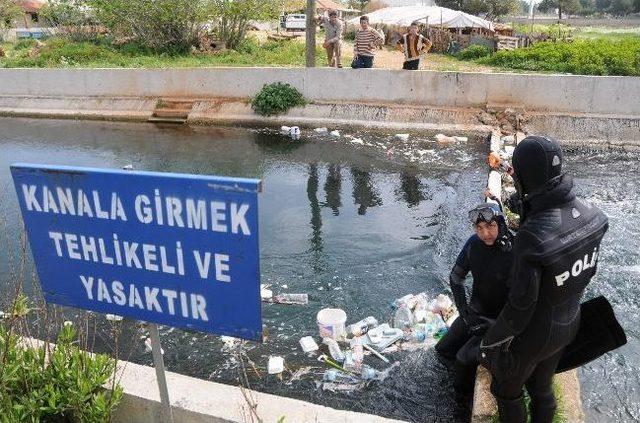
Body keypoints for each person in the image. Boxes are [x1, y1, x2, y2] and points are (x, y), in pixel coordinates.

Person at [479, 136, 609, 423]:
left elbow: (520, 308)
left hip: (536, 334)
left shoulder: (534, 237)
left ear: (525, 177)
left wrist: (490, 342)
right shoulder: (594, 217)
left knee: (506, 388)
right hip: (569, 322)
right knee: (541, 386)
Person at [435, 202, 514, 394]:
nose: (485, 233)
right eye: (479, 228)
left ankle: (461, 402)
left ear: (501, 224)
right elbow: (456, 277)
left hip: (502, 323)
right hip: (477, 313)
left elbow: (527, 296)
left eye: (490, 226)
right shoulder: (473, 244)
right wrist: (464, 312)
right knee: (442, 350)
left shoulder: (516, 250)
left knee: (463, 360)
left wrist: (498, 327)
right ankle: (452, 386)